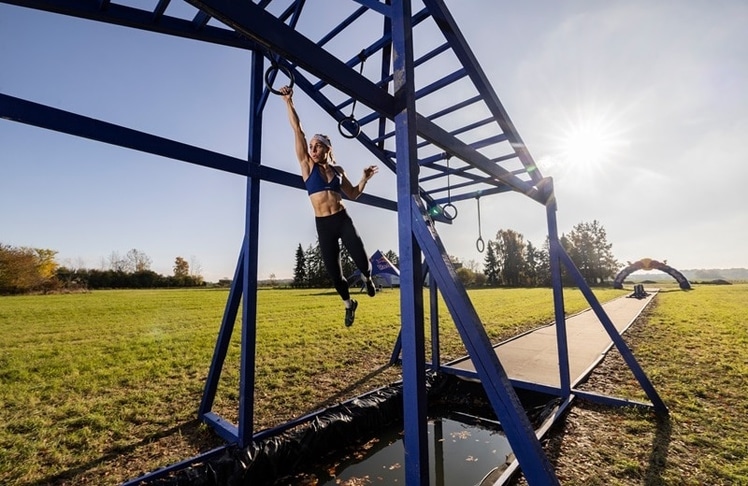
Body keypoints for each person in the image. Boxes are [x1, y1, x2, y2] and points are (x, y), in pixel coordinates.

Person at [280, 85, 378, 327]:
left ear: (327, 149)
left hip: (342, 219)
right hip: (323, 225)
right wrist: (288, 102)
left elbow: (353, 193)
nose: (312, 149)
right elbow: (298, 130)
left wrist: (364, 178)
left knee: (361, 257)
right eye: (311, 146)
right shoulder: (307, 166)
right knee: (335, 275)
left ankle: (367, 277)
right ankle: (349, 304)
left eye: (317, 146)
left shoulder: (337, 171)